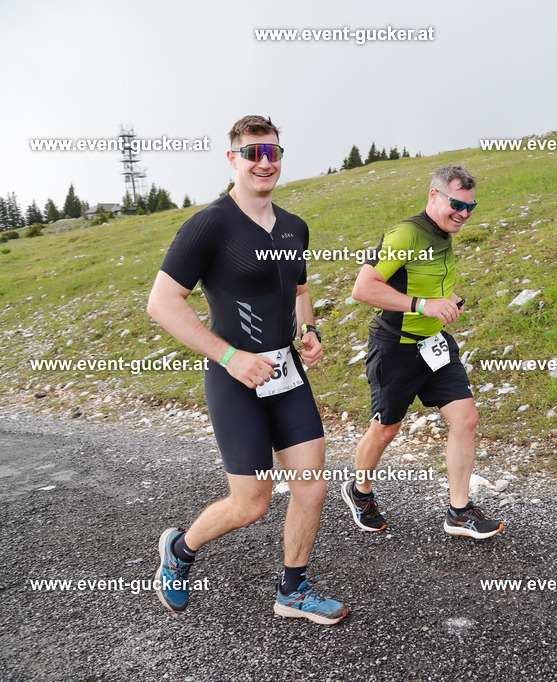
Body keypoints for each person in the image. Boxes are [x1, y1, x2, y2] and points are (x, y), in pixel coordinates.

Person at [146, 115, 346, 625]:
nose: (266, 161)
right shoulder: (211, 224)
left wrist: (309, 332)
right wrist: (229, 357)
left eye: (273, 151)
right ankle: (180, 549)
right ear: (233, 159)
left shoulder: (294, 226)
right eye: (254, 152)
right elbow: (163, 302)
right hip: (234, 377)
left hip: (287, 372)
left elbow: (299, 289)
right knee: (252, 502)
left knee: (311, 484)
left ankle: (293, 591)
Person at [345, 165, 503, 539]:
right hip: (395, 348)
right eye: (456, 205)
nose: (463, 214)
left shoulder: (443, 232)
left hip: (434, 345)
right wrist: (421, 305)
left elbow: (424, 278)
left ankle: (459, 511)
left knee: (466, 419)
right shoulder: (406, 233)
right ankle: (360, 490)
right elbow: (364, 289)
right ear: (433, 196)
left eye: (470, 207)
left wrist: (448, 300)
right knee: (386, 430)